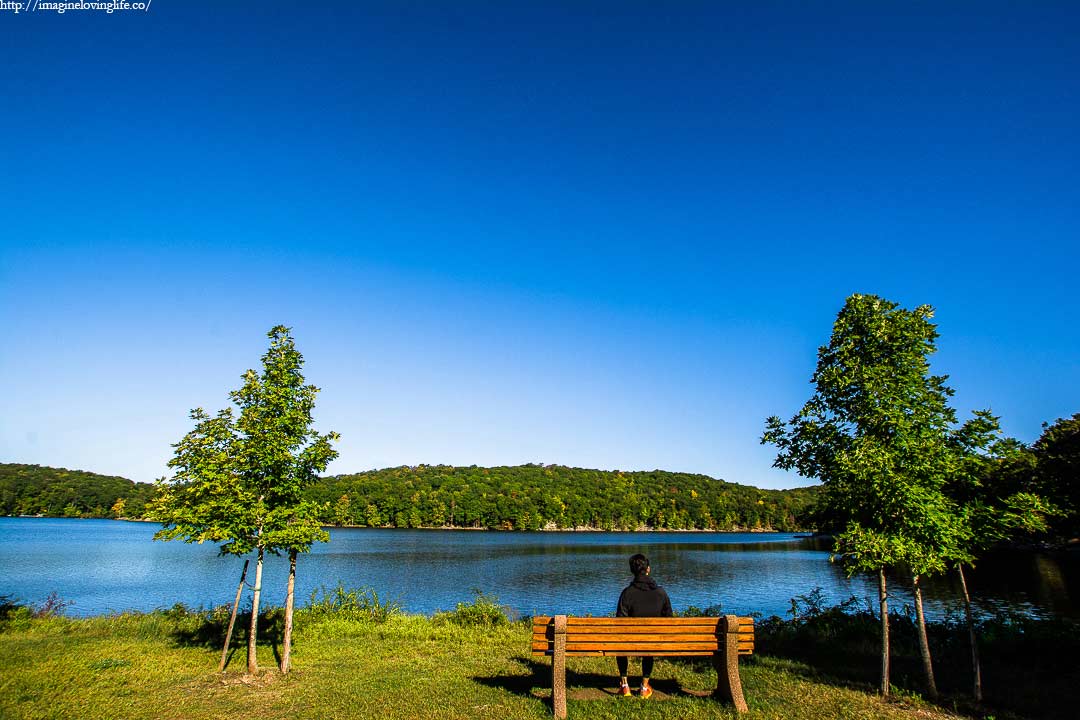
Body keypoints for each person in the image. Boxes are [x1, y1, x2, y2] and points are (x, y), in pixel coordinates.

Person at [615, 553, 673, 698]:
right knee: (649, 643)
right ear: (648, 569)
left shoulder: (627, 593)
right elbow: (669, 619)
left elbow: (620, 621)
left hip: (629, 641)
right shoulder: (661, 593)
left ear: (632, 571)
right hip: (653, 641)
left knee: (619, 644)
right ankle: (644, 686)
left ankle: (624, 685)